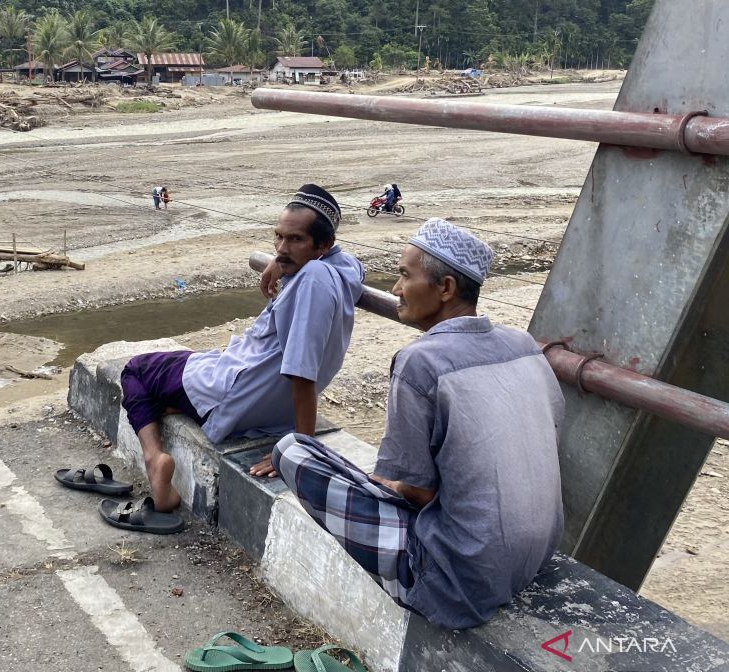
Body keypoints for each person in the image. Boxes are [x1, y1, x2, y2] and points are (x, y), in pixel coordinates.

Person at [271, 218, 564, 630]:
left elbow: (419, 493)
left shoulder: (420, 362)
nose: (394, 289)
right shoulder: (523, 345)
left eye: (405, 275)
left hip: (459, 581)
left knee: (292, 450)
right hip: (534, 558)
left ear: (444, 289)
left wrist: (389, 484)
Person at [105, 184, 363, 532]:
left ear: (322, 245)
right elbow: (349, 261)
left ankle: (154, 459)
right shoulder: (341, 269)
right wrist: (281, 262)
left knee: (136, 370)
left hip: (236, 393)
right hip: (261, 394)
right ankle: (176, 404)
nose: (282, 248)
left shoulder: (314, 279)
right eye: (278, 238)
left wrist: (301, 453)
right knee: (179, 364)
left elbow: (302, 374)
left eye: (295, 240)